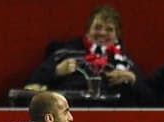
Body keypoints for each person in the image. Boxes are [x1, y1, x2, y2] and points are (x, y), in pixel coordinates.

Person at [23, 4, 152, 107]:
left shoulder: (125, 62)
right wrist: (56, 71)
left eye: (109, 29)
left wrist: (132, 78)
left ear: (117, 35)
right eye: (97, 27)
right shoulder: (65, 53)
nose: (102, 33)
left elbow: (149, 98)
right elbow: (31, 83)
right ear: (87, 31)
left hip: (113, 116)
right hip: (68, 113)